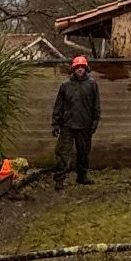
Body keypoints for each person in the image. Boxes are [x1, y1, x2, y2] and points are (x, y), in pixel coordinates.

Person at [51, 53, 101, 189]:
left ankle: (82, 176)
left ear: (86, 69)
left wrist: (95, 121)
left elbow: (96, 105)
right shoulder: (65, 86)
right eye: (77, 67)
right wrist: (55, 123)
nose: (80, 69)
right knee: (62, 153)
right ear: (73, 69)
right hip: (67, 125)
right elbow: (58, 105)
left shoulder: (92, 85)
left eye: (82, 67)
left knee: (84, 152)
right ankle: (59, 179)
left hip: (85, 125)